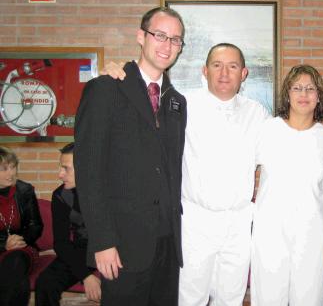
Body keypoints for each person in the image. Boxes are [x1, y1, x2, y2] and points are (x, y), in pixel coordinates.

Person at [103, 42, 270, 305]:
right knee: (190, 296)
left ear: (244, 73)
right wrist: (118, 74)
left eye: (232, 66)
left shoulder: (257, 113)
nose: (224, 73)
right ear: (205, 71)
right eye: (217, 65)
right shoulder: (181, 105)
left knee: (231, 297)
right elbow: (142, 105)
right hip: (196, 220)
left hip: (237, 222)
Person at [74, 6, 187, 306]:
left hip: (167, 244)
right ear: (141, 36)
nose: (167, 45)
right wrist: (102, 241)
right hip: (122, 246)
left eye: (176, 40)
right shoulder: (105, 89)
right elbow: (88, 172)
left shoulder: (176, 102)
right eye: (160, 35)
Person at [251, 64, 323, 305]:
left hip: (312, 231)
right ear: (288, 94)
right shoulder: (268, 130)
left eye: (310, 89)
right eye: (297, 88)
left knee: (309, 296)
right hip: (271, 230)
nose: (303, 94)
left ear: (319, 96)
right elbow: (242, 171)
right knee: (268, 296)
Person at [35, 142, 101, 305]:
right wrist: (85, 275)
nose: (60, 174)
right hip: (81, 250)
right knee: (46, 283)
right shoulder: (60, 195)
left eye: (66, 168)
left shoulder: (107, 191)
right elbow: (61, 243)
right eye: (60, 167)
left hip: (111, 248)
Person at [0, 146, 43, 306]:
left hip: (22, 248)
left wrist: (19, 240)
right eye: (4, 169)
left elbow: (36, 225)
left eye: (13, 167)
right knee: (16, 280)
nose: (11, 173)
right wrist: (4, 244)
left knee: (15, 263)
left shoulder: (24, 190)